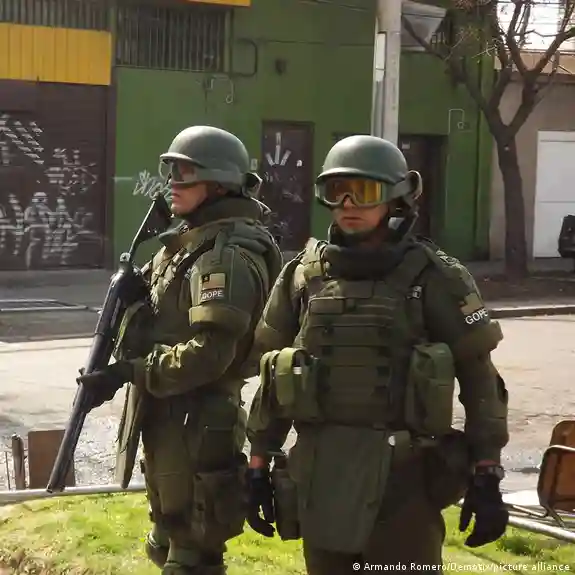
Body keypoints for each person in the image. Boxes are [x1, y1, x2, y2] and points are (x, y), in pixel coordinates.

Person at [243, 134, 510, 574]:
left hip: (404, 482)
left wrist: (487, 472)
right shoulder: (302, 276)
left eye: (363, 191)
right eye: (336, 191)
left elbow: (480, 380)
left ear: (396, 197)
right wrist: (258, 462)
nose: (348, 204)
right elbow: (275, 378)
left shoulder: (435, 277)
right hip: (322, 477)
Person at [77, 125, 283, 574]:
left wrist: (129, 372)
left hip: (198, 425)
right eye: (171, 172)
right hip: (173, 419)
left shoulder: (223, 255)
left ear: (219, 184)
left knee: (192, 556)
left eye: (185, 174)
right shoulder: (190, 242)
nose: (172, 183)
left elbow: (210, 354)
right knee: (165, 542)